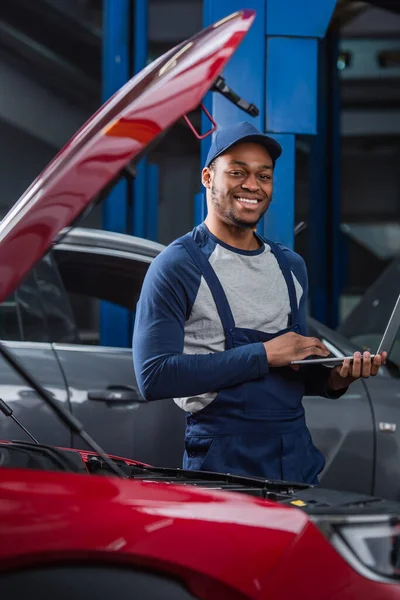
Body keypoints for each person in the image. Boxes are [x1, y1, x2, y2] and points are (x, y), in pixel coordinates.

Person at [132, 121, 387, 484]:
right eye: (237, 172)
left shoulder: (290, 267)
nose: (252, 185)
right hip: (222, 465)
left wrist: (334, 379)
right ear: (208, 177)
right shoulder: (178, 266)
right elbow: (153, 377)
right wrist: (264, 354)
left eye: (263, 175)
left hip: (296, 459)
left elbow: (292, 370)